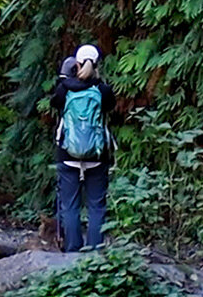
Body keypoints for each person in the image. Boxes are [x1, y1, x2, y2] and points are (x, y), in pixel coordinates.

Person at [51, 44, 115, 251]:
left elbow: (55, 104)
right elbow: (110, 107)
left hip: (67, 154)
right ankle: (95, 254)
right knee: (96, 206)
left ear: (76, 64)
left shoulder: (64, 89)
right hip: (97, 156)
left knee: (70, 206)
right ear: (97, 65)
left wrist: (66, 78)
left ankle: (72, 251)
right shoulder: (103, 90)